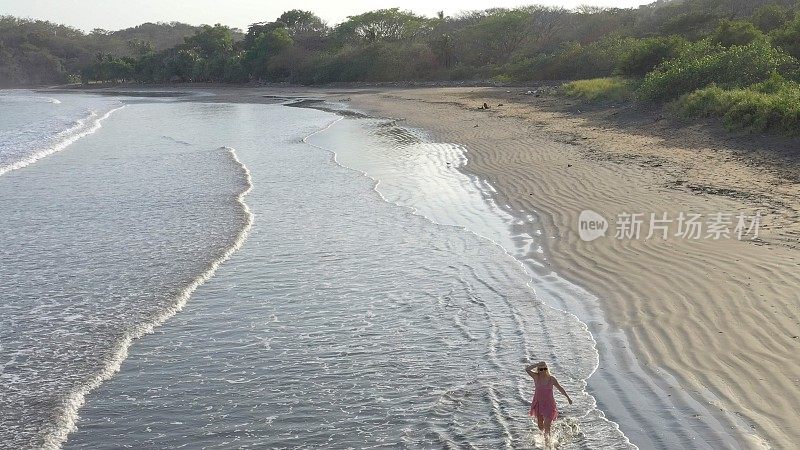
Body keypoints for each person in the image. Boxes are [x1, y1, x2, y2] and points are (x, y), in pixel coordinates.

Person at [526, 361, 572, 438]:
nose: (543, 371)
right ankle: (545, 437)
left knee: (547, 425)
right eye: (541, 369)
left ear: (547, 369)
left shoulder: (551, 379)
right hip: (538, 403)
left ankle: (548, 444)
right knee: (540, 426)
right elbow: (527, 369)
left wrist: (568, 397)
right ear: (538, 370)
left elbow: (560, 388)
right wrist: (537, 364)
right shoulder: (536, 377)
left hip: (549, 405)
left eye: (545, 369)